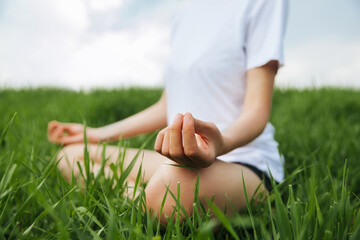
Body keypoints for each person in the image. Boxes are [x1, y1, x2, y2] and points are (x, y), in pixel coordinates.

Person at [48, 0, 288, 223]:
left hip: (243, 161)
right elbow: (167, 106)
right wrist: (97, 134)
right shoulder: (186, 15)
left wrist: (220, 144)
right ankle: (140, 195)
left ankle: (146, 194)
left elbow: (256, 112)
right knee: (69, 157)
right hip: (178, 161)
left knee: (168, 191)